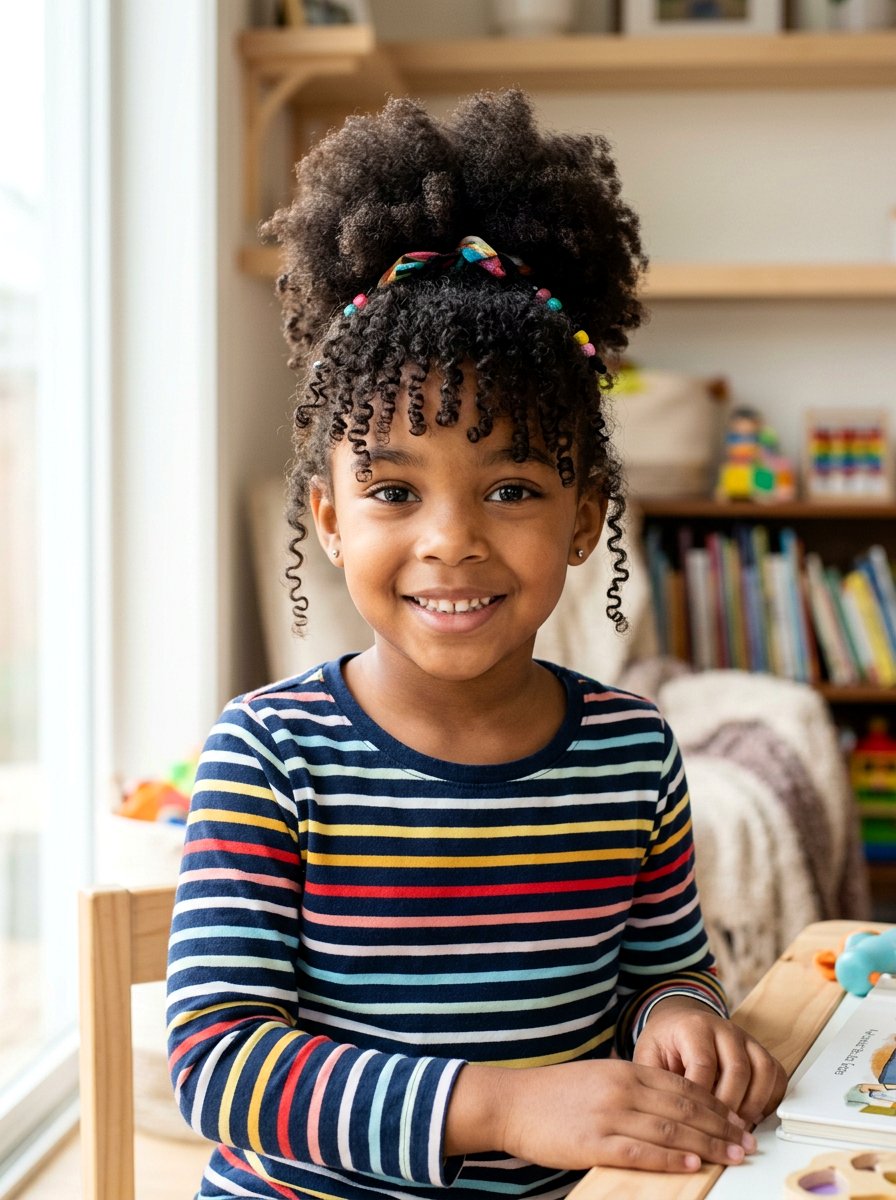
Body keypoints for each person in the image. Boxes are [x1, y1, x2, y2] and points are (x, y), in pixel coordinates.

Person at [166, 89, 786, 1200]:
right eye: (394, 490)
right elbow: (217, 1064)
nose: (449, 542)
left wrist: (686, 1018)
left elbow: (661, 970)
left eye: (510, 487)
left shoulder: (630, 753)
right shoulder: (266, 756)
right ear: (328, 518)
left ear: (586, 516)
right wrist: (497, 1102)